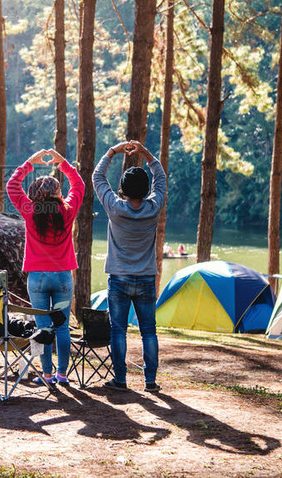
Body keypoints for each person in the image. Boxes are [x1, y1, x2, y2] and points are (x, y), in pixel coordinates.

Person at [7, 148, 85, 386]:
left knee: (42, 328)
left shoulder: (30, 210)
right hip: (62, 277)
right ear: (57, 192)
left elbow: (12, 186)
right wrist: (63, 164)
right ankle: (62, 375)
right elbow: (79, 186)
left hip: (37, 279)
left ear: (33, 195)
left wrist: (29, 162)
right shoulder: (67, 210)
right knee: (62, 328)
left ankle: (47, 376)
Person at [93, 140, 166, 393]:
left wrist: (113, 151)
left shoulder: (114, 207)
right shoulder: (153, 208)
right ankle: (150, 381)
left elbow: (97, 177)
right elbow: (160, 178)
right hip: (146, 278)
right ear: (146, 190)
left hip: (119, 279)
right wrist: (146, 153)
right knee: (149, 331)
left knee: (119, 330)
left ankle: (121, 380)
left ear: (122, 188)